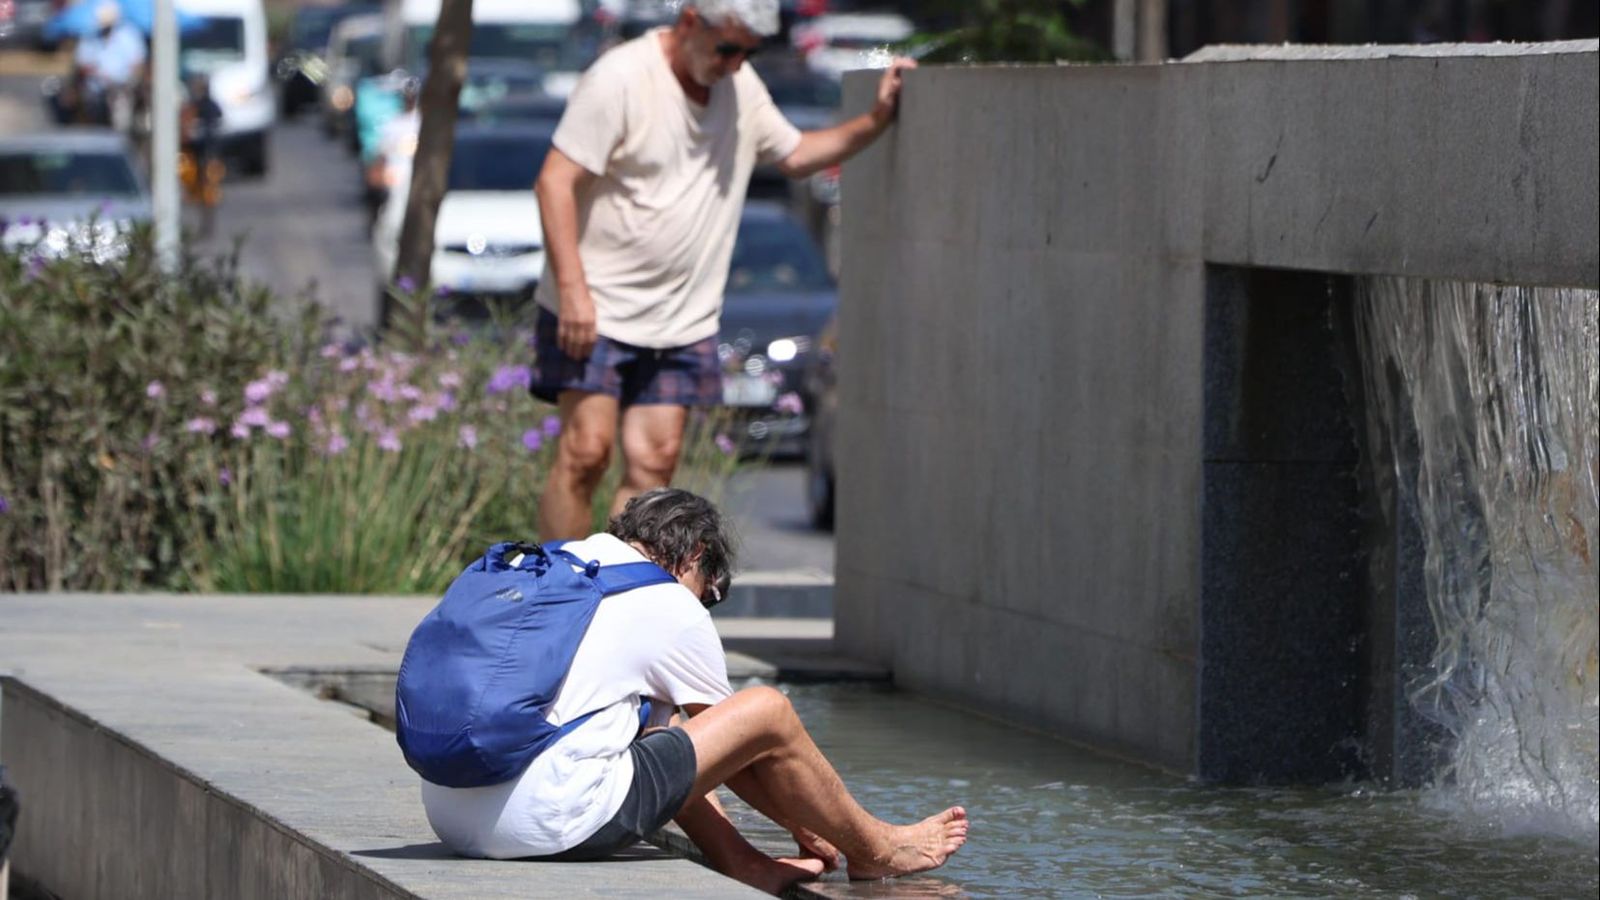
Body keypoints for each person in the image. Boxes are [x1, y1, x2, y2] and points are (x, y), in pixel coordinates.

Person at [419, 489, 968, 894]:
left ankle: (742, 862)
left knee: (664, 730)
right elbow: (745, 751)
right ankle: (877, 848)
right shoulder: (670, 602)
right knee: (767, 710)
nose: (704, 605)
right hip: (541, 826)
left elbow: (693, 749)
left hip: (451, 813)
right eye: (710, 593)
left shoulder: (563, 562)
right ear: (694, 557)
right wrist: (818, 830)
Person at [532, 0, 916, 540]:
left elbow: (798, 153)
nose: (735, 63)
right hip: (596, 305)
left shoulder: (741, 90)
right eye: (727, 48)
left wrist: (877, 118)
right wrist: (572, 291)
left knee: (654, 464)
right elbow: (554, 182)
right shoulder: (620, 78)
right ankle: (561, 598)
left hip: (680, 318)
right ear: (690, 21)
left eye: (748, 52)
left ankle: (617, 599)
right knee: (585, 453)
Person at [70, 3, 148, 130]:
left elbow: (138, 62)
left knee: (122, 118)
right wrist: (95, 73)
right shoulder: (90, 36)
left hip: (122, 88)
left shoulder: (128, 36)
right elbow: (82, 63)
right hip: (96, 89)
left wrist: (129, 78)